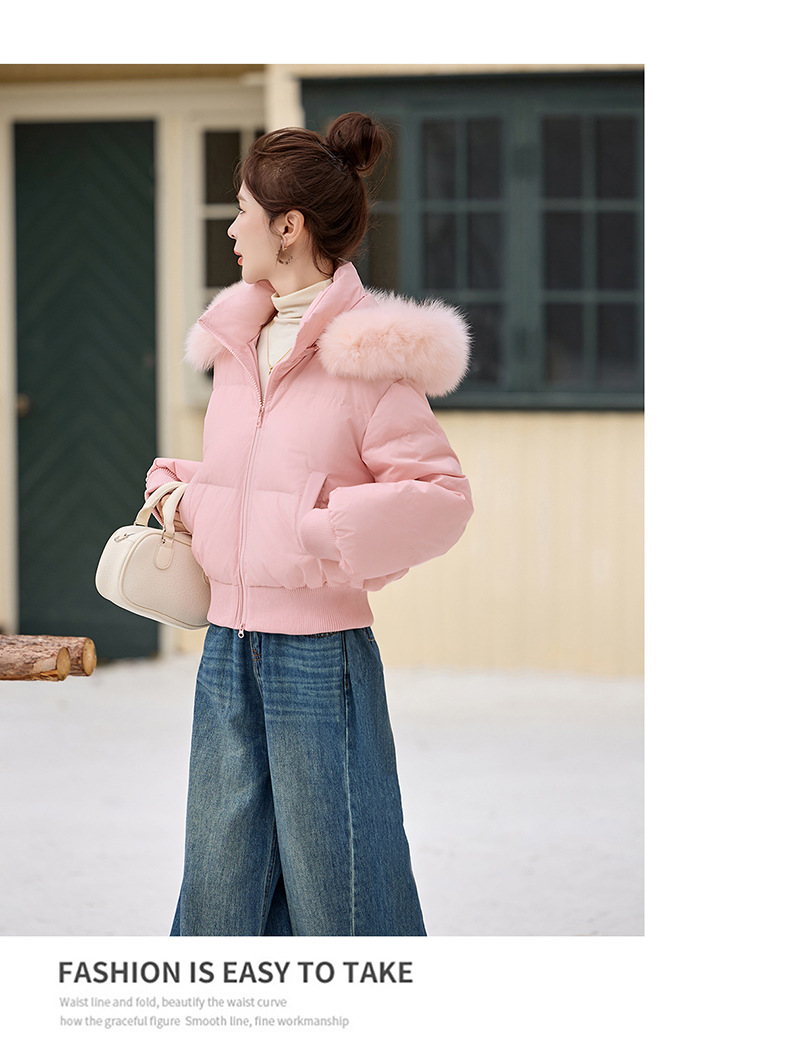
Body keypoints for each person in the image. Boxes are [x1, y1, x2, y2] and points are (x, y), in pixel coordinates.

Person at [145, 112, 473, 937]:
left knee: (342, 897)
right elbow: (258, 479)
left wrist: (319, 530)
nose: (232, 228)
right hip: (228, 652)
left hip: (318, 664)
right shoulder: (236, 345)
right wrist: (183, 493)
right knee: (219, 894)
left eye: (242, 210)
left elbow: (440, 497)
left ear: (288, 227)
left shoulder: (368, 357)